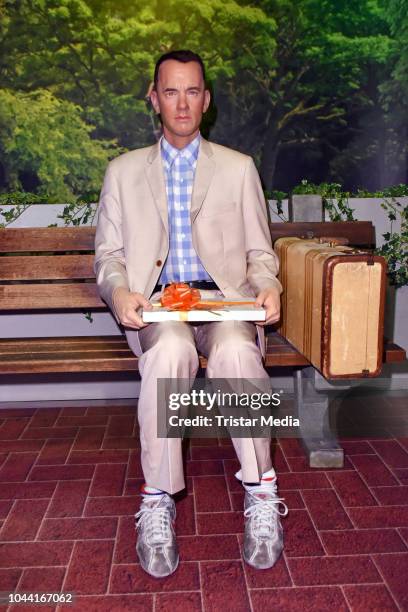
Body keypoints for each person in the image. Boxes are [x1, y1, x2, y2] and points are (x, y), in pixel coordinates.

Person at [94, 49, 288, 578]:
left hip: (225, 303)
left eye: (193, 90)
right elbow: (109, 257)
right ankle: (157, 499)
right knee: (173, 350)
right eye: (171, 91)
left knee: (232, 347)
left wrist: (267, 287)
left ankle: (261, 490)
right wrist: (120, 293)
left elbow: (259, 255)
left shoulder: (238, 168)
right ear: (154, 100)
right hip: (160, 311)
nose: (183, 102)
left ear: (207, 99)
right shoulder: (124, 172)